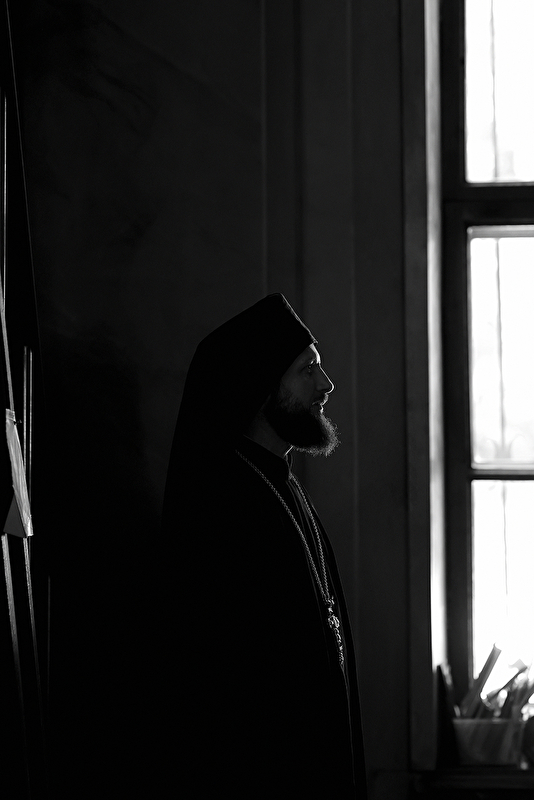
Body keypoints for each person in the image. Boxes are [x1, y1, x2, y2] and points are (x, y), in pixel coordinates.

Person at [162, 293, 367, 798]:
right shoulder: (222, 503)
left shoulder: (284, 484)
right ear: (260, 387)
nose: (326, 385)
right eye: (307, 370)